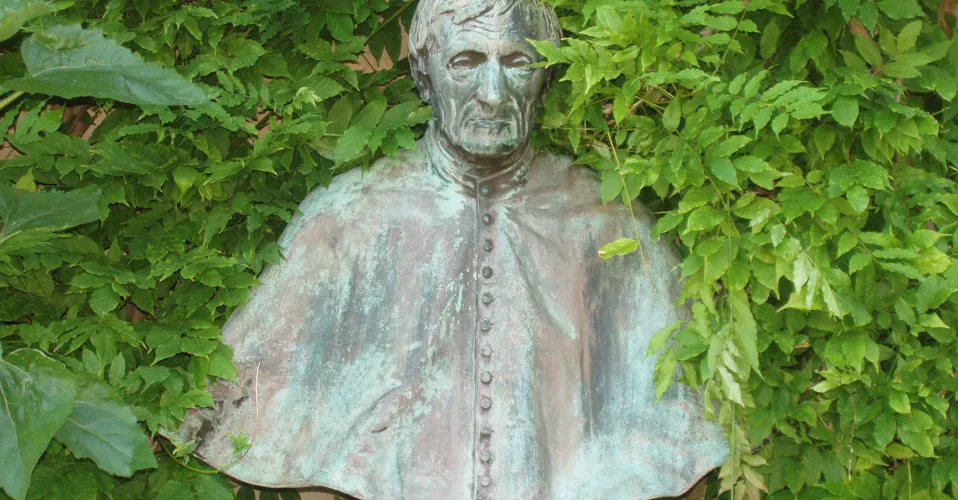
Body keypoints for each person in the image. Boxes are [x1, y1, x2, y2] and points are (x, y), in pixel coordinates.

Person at [178, 0, 728, 498]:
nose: (493, 93)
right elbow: (245, 401)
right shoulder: (345, 219)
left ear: (547, 79)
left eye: (518, 62)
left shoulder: (611, 224)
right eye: (466, 62)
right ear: (425, 76)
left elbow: (681, 432)